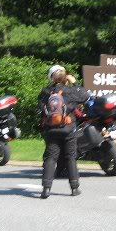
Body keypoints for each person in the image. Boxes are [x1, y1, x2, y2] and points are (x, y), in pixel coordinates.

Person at [38, 65, 89, 199]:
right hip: (68, 129)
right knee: (70, 157)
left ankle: (46, 189)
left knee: (50, 158)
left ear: (51, 78)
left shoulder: (45, 92)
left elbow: (41, 109)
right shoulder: (70, 91)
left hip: (51, 130)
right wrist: (75, 82)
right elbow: (85, 96)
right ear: (65, 77)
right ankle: (74, 188)